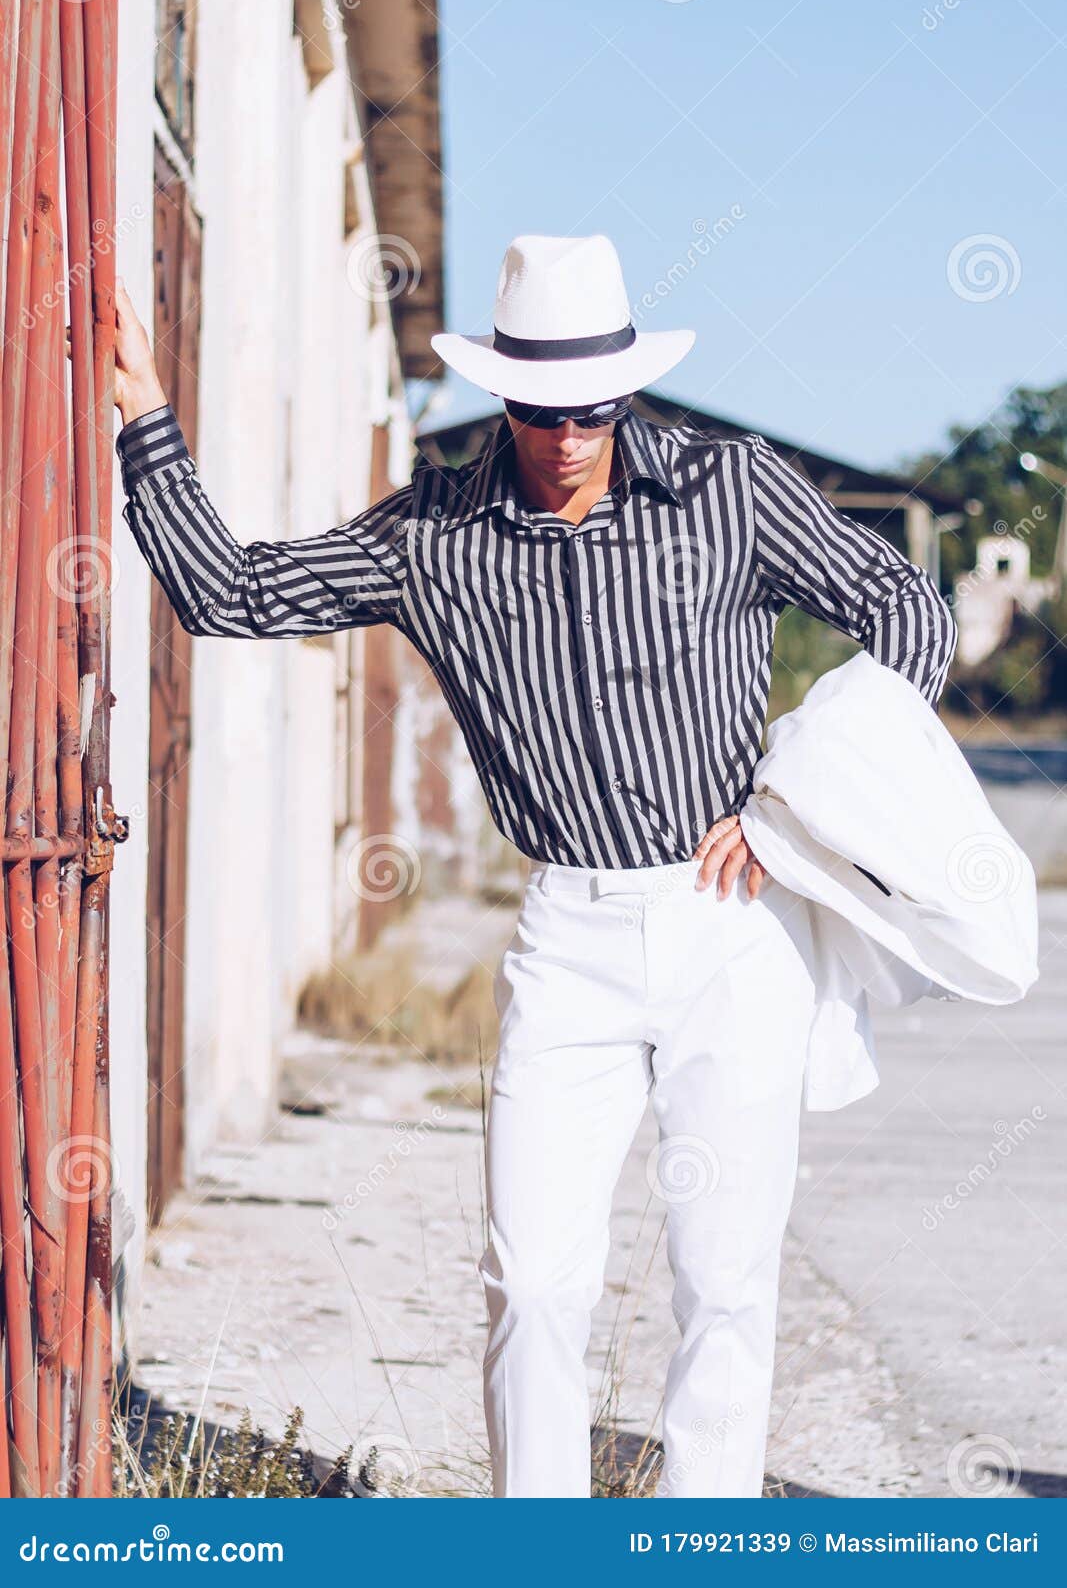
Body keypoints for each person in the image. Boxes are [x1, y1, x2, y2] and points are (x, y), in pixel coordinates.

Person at [112, 233, 956, 1498]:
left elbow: (910, 615)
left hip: (736, 918)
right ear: (502, 392)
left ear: (625, 387)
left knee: (723, 1278)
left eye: (592, 410)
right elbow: (234, 592)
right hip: (569, 932)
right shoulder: (436, 532)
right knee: (534, 1277)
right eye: (540, 409)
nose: (568, 436)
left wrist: (795, 807)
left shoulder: (728, 488)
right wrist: (143, 420)